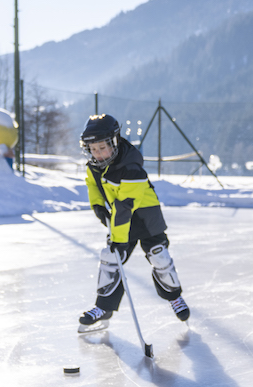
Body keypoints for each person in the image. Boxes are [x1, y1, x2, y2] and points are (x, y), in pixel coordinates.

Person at [79, 114, 190, 328]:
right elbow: (92, 185)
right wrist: (98, 207)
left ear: (114, 142)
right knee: (111, 259)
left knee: (159, 256)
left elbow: (124, 208)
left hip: (146, 217)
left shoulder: (131, 167)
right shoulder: (94, 165)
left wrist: (118, 239)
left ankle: (174, 296)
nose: (98, 153)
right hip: (120, 219)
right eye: (93, 149)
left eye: (102, 147)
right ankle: (104, 307)